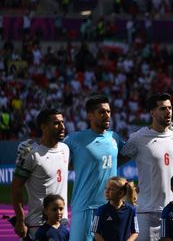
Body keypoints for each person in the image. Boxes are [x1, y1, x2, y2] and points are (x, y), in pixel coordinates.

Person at [121, 93, 173, 241]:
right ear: (152, 112)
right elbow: (119, 160)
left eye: (170, 108)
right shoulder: (138, 138)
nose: (168, 112)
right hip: (148, 212)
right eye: (163, 109)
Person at [64, 95, 124, 241]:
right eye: (102, 112)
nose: (107, 115)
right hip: (85, 207)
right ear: (90, 115)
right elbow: (59, 159)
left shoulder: (114, 138)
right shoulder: (74, 139)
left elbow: (123, 156)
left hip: (111, 206)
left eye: (109, 111)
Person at [11, 109, 69, 239]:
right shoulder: (30, 153)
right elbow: (16, 187)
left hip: (62, 221)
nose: (62, 127)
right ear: (43, 127)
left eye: (62, 122)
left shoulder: (65, 149)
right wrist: (20, 220)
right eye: (56, 123)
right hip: (38, 224)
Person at [91, 176, 139, 241]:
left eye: (111, 189)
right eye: (106, 188)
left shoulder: (131, 210)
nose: (106, 191)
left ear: (121, 193)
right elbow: (95, 232)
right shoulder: (101, 210)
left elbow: (135, 232)